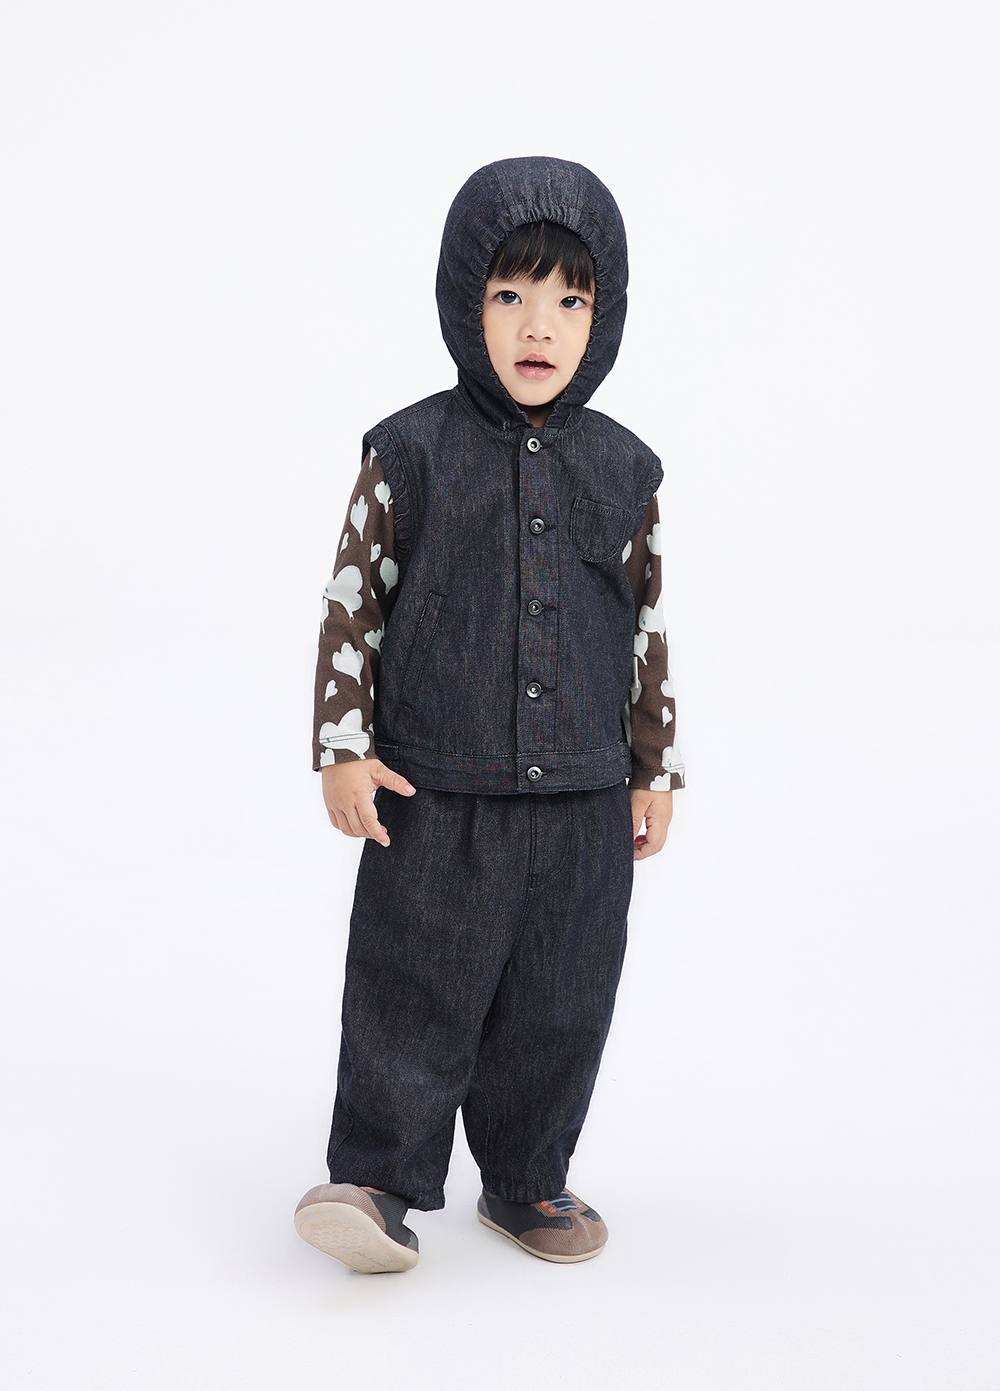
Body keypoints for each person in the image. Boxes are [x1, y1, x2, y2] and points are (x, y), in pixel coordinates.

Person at [294, 157, 685, 1273]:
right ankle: (375, 1182)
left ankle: (526, 1178)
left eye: (571, 299)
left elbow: (648, 621)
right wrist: (342, 746)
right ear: (465, 298)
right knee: (412, 986)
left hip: (584, 797)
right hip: (433, 790)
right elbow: (352, 601)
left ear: (603, 317)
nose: (538, 324)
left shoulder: (626, 467)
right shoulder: (407, 451)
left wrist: (653, 768)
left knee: (562, 1000)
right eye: (509, 292)